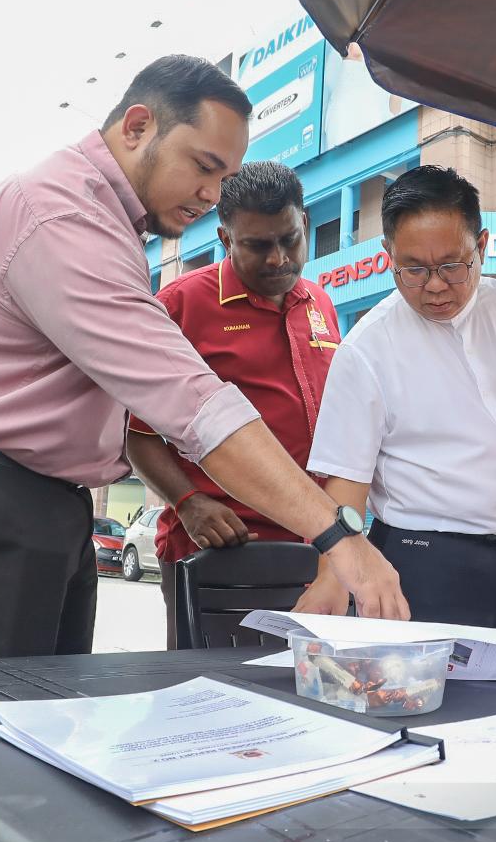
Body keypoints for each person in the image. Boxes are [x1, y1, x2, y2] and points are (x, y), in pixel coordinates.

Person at [0, 55, 406, 666]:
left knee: (47, 712)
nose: (211, 195)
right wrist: (337, 534)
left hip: (36, 506)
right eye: (203, 166)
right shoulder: (64, 216)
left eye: (224, 177)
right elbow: (188, 404)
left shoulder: (113, 225)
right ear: (137, 126)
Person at [295, 166, 496, 633]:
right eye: (414, 269)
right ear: (389, 256)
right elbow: (345, 484)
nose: (435, 285)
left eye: (451, 266)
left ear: (482, 246)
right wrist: (332, 577)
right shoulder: (367, 350)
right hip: (426, 564)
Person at [125, 160, 340, 647]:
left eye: (289, 239)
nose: (278, 259)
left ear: (305, 223)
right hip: (221, 552)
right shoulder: (180, 305)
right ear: (225, 238)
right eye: (258, 245)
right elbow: (136, 434)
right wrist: (188, 504)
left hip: (318, 551)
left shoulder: (321, 304)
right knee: (215, 688)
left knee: (311, 689)